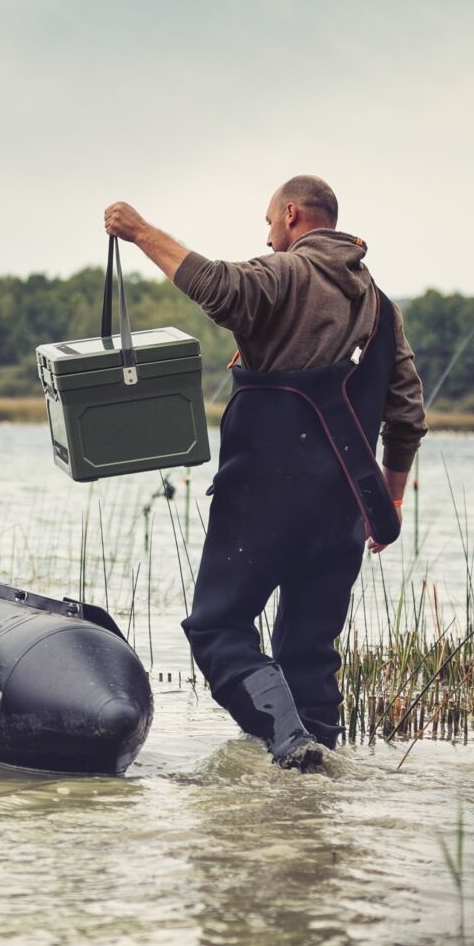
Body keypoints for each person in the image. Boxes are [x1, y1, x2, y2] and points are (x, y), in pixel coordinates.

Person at [104, 175, 428, 771]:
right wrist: (390, 504)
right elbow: (407, 415)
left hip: (264, 494)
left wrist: (139, 231)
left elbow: (214, 285)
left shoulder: (284, 274)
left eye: (271, 222)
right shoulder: (382, 310)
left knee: (217, 628)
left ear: (292, 214)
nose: (270, 236)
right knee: (309, 653)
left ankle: (288, 742)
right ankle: (318, 777)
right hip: (346, 509)